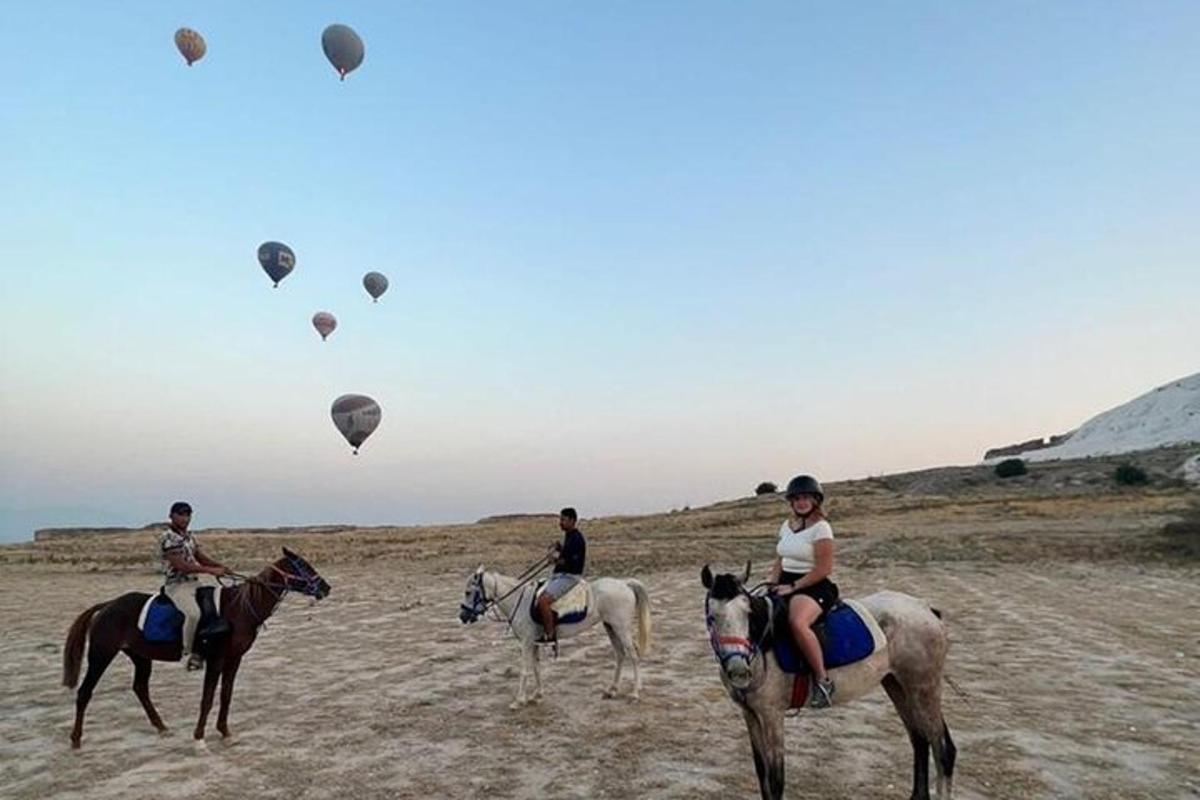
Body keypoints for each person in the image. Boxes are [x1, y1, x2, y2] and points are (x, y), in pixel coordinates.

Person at [767, 475, 840, 708]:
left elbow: (824, 568)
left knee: (797, 622)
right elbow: (781, 558)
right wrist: (771, 582)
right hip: (785, 582)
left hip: (814, 585)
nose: (801, 502)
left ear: (815, 500)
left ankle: (823, 680)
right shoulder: (786, 526)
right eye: (796, 498)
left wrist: (793, 587)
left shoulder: (821, 528)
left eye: (806, 497)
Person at [158, 501, 233, 670]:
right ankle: (187, 653)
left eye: (188, 514)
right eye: (181, 514)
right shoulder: (168, 537)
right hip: (177, 586)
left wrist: (221, 567)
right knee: (193, 614)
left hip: (194, 583)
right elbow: (181, 566)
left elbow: (200, 556)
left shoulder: (188, 536)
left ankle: (206, 648)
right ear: (171, 515)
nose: (185, 518)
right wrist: (211, 571)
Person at [535, 507, 587, 650]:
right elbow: (566, 555)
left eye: (563, 520)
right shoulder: (569, 536)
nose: (560, 523)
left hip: (570, 577)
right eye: (560, 519)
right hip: (560, 575)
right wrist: (559, 549)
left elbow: (572, 563)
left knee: (543, 601)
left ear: (572, 521)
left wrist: (556, 560)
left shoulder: (577, 538)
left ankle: (550, 635)